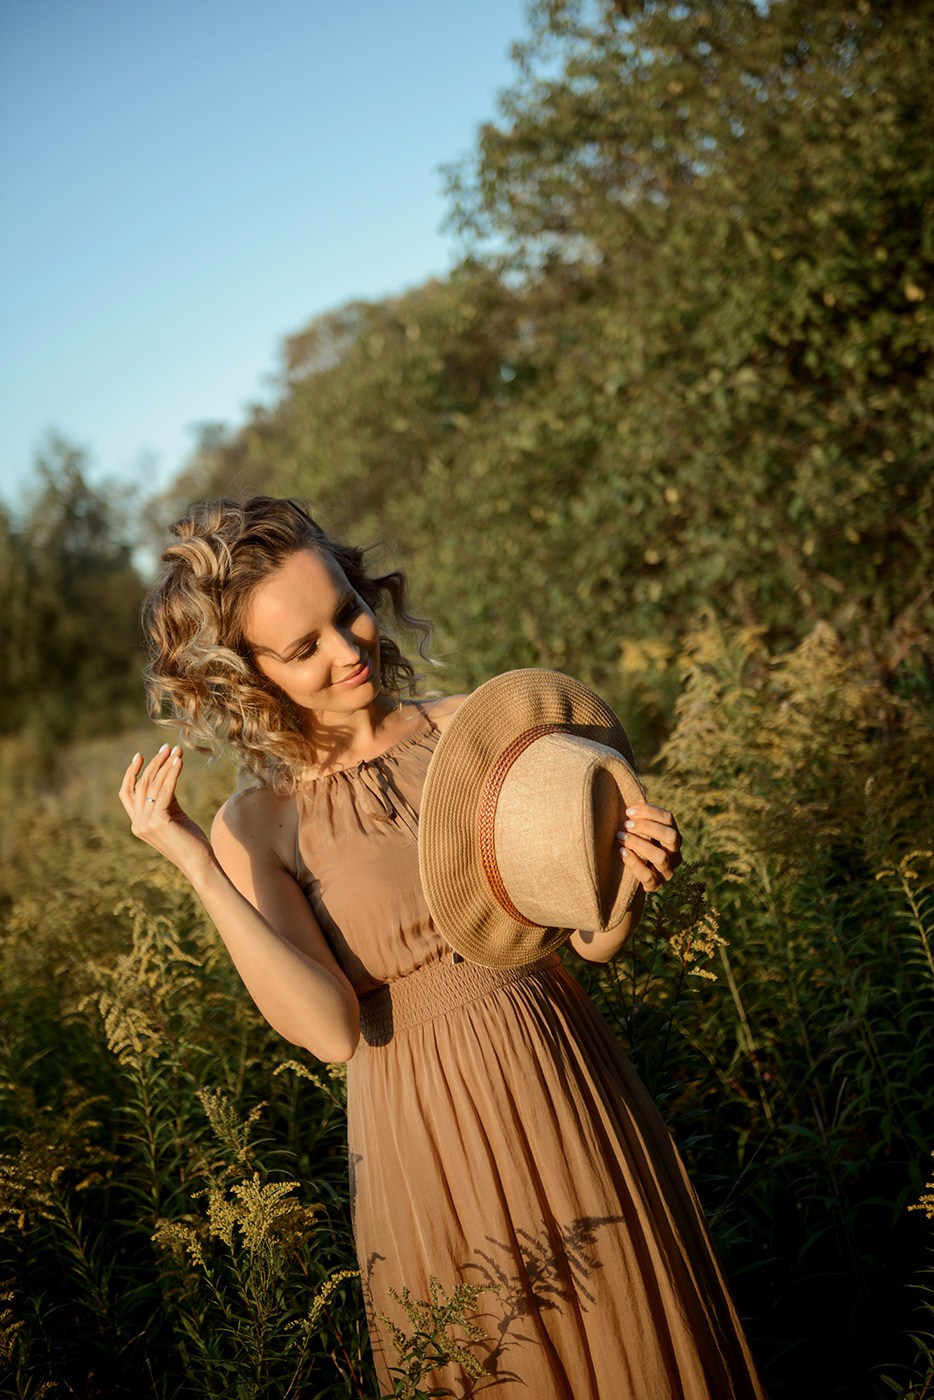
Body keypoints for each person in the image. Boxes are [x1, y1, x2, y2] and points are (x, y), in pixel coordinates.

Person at [119, 495, 766, 1399]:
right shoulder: (256, 826)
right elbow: (331, 1031)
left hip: (558, 1067)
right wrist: (195, 864)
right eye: (303, 649)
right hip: (420, 1126)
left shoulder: (482, 729)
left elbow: (592, 939)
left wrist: (632, 875)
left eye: (348, 611)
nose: (348, 651)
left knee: (635, 1344)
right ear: (246, 676)